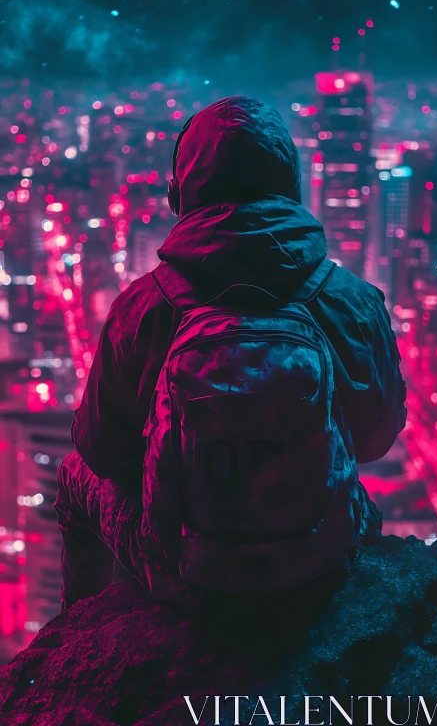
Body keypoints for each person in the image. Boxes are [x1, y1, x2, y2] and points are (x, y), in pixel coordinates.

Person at [54, 96, 407, 610]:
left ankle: (80, 631)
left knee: (72, 475)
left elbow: (100, 450)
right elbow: (376, 441)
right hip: (322, 565)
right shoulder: (351, 299)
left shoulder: (145, 306)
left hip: (184, 572)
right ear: (292, 189)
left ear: (181, 197)